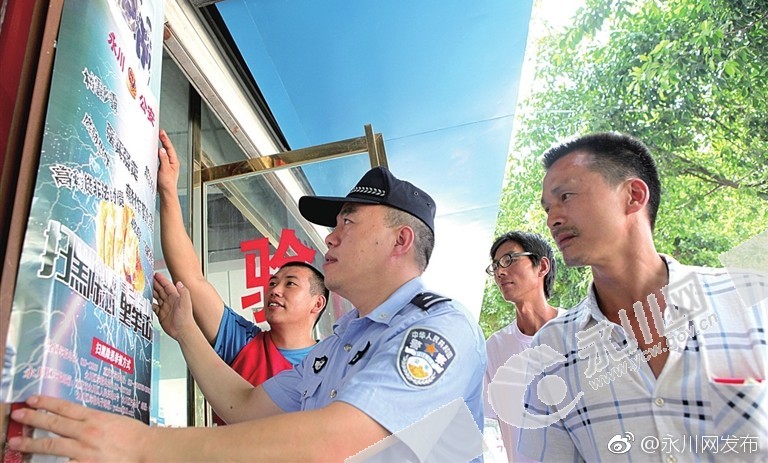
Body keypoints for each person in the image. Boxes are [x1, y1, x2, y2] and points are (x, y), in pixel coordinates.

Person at [8, 166, 487, 462]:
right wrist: (185, 331)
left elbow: (339, 443)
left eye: (348, 222)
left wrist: (141, 446)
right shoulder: (339, 345)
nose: (331, 237)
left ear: (400, 241)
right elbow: (244, 406)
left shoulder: (439, 328)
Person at [515, 132, 768, 461]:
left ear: (633, 196)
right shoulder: (552, 350)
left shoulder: (750, 299)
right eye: (548, 208)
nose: (553, 219)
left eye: (566, 196)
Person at [157, 130, 327, 424]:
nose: (275, 290)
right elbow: (192, 280)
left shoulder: (333, 363)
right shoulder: (241, 341)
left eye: (290, 283)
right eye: (272, 282)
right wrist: (169, 191)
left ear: (317, 303)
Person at [482, 231, 564, 462]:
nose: (500, 272)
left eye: (509, 259)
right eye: (495, 266)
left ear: (542, 266)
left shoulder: (579, 330)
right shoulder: (495, 348)